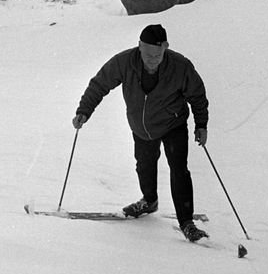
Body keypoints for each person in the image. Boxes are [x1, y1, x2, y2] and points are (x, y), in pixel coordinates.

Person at [73, 23, 209, 242]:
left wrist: (201, 125)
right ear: (139, 46)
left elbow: (197, 95)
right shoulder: (125, 62)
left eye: (157, 55)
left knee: (178, 169)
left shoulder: (180, 66)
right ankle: (149, 200)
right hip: (141, 126)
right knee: (144, 165)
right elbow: (100, 84)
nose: (151, 59)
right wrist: (84, 111)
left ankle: (186, 222)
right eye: (147, 54)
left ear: (165, 47)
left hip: (172, 123)